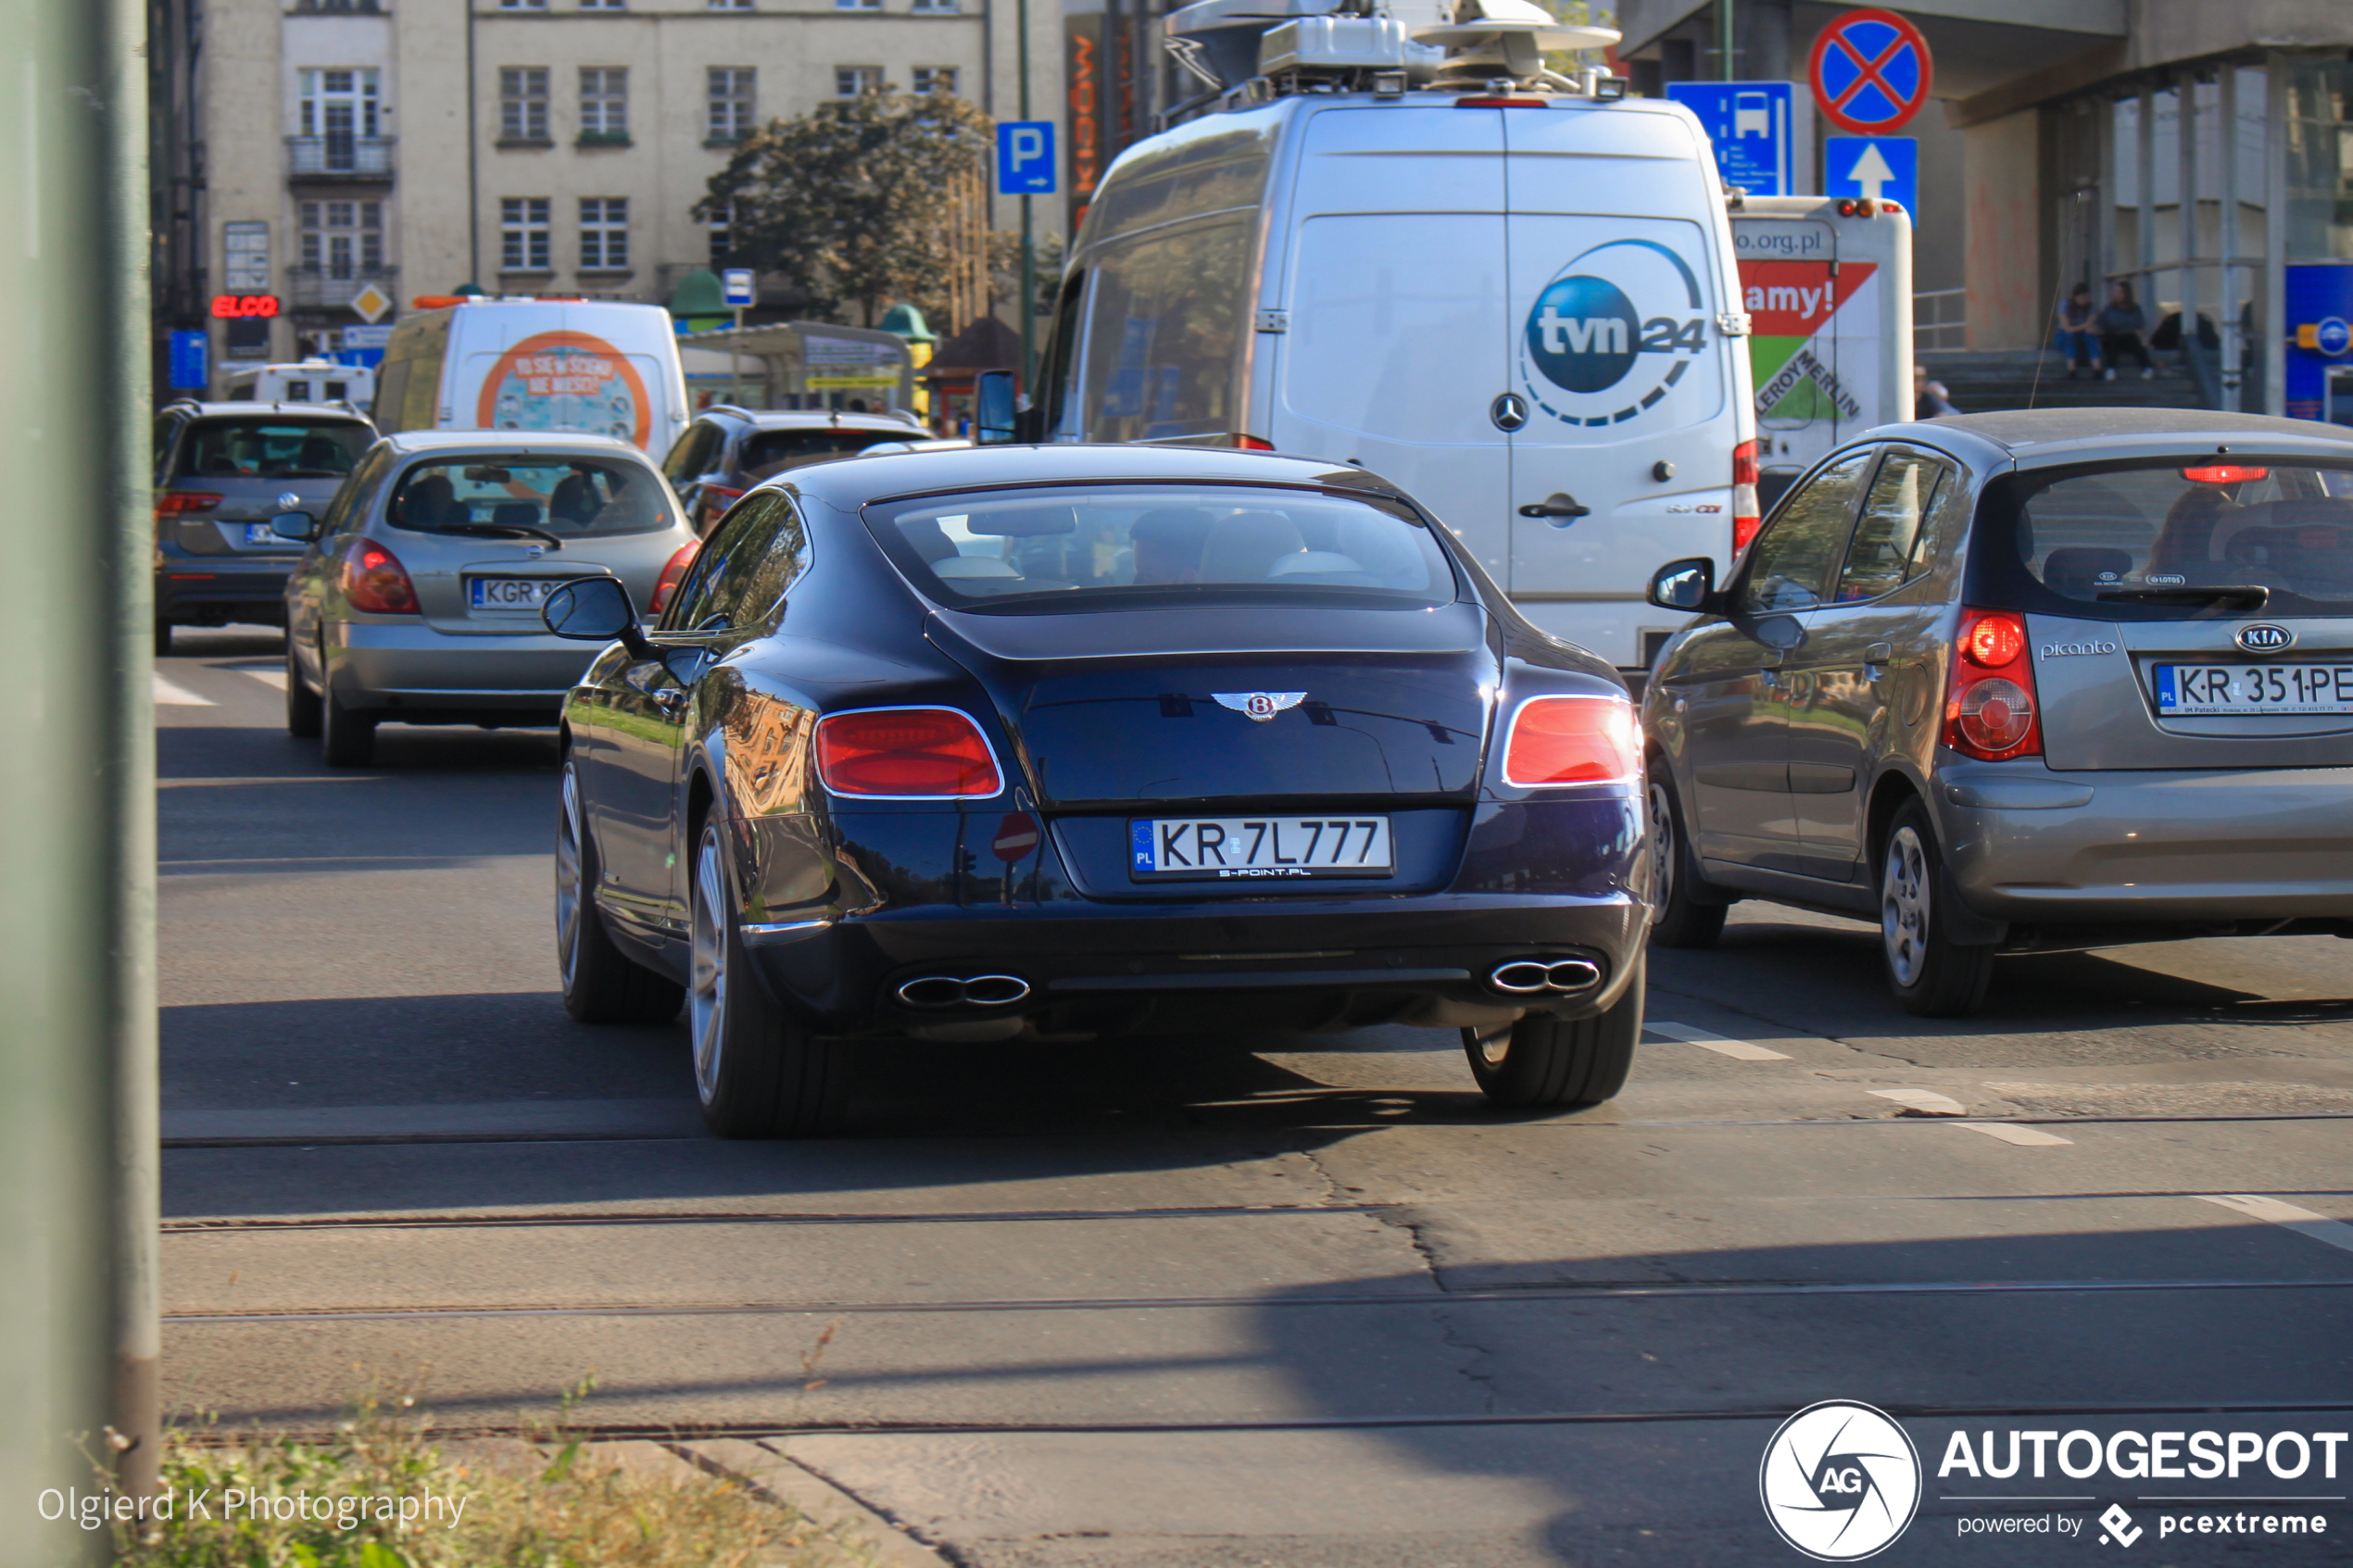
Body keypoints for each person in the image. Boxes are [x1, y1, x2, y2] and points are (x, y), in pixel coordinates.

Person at [2098, 281, 2154, 380]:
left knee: (2134, 340)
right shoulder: (2110, 308)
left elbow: (2142, 327)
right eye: (2116, 292)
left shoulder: (2135, 308)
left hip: (2128, 336)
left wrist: (2144, 338)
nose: (2117, 295)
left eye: (2120, 292)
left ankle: (2147, 367)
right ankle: (2110, 369)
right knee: (2113, 339)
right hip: (2112, 336)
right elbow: (2101, 324)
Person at [2056, 284, 2101, 378]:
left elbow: (2092, 323)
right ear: (2075, 297)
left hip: (2082, 338)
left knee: (2090, 335)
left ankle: (2097, 369)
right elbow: (2067, 328)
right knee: (2070, 335)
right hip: (2063, 337)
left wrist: (2092, 329)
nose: (2086, 300)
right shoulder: (2064, 305)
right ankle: (2072, 370)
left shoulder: (2091, 307)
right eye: (2083, 297)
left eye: (2088, 297)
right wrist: (2085, 326)